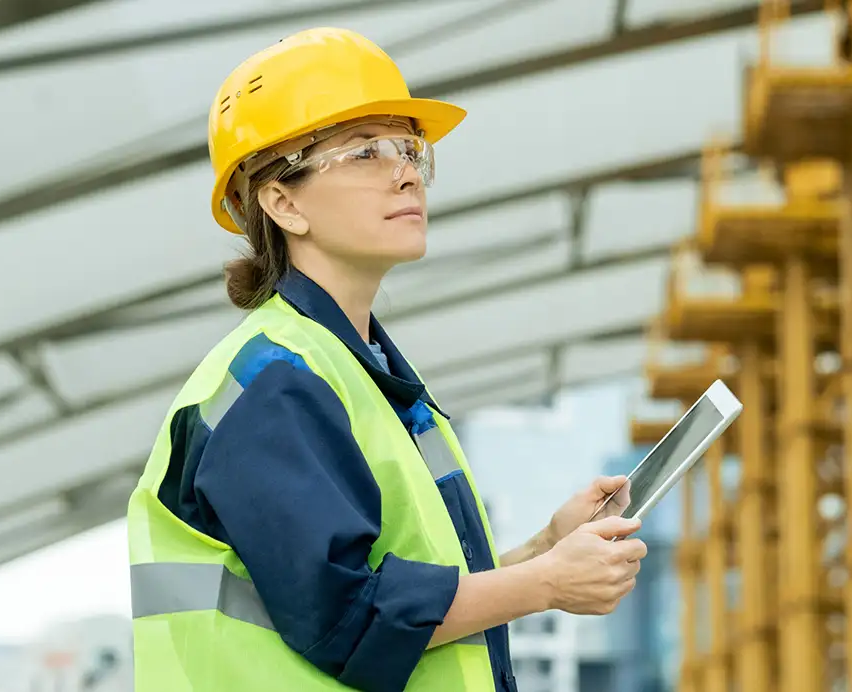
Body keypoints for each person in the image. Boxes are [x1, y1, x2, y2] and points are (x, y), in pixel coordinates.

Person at [125, 26, 646, 692]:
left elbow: (413, 597)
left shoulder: (363, 375)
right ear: (282, 202)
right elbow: (353, 621)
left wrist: (547, 546)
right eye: (364, 152)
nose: (405, 172)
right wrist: (545, 582)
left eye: (407, 148)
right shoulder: (273, 384)